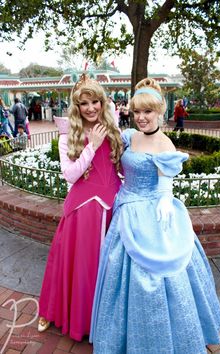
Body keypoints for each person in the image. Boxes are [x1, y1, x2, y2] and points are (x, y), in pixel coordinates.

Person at [90, 78, 220, 353]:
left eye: (147, 112)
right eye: (137, 112)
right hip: (125, 211)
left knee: (160, 276)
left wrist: (165, 200)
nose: (141, 118)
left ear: (160, 112)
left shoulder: (165, 146)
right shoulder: (130, 136)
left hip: (151, 216)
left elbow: (165, 187)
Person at [38, 74, 123, 341]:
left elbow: (120, 167)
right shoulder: (68, 135)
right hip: (84, 211)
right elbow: (71, 175)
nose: (90, 108)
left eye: (95, 101)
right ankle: (63, 315)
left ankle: (104, 320)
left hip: (112, 207)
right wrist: (92, 146)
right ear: (77, 106)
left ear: (102, 102)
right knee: (79, 267)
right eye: (84, 103)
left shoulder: (113, 128)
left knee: (109, 267)